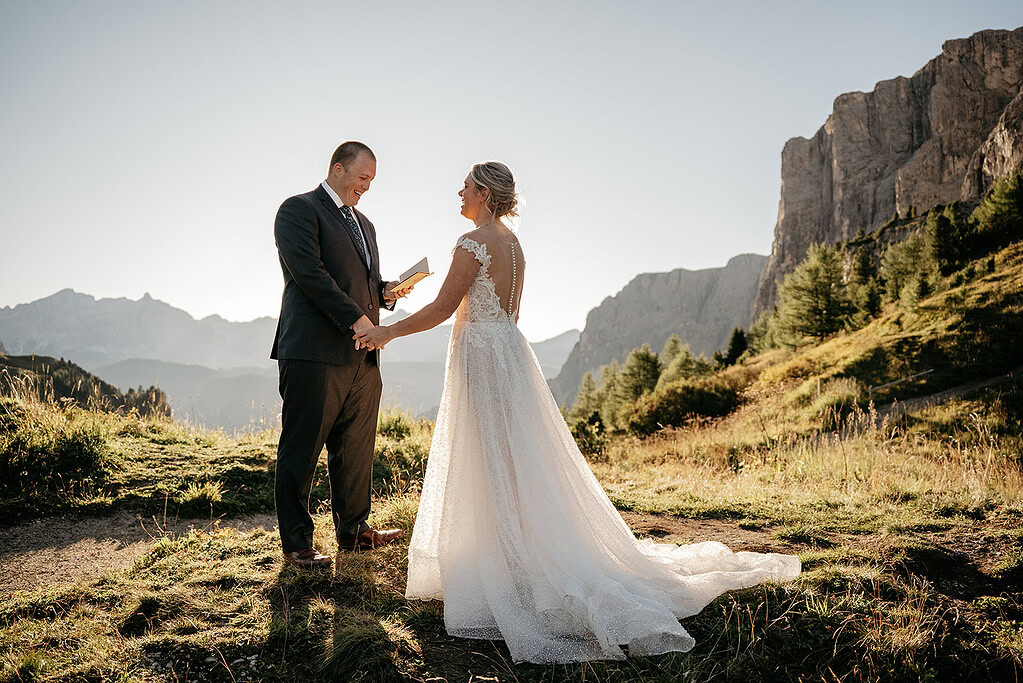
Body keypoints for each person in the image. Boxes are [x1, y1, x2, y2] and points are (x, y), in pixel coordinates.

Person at [354, 161, 801, 663]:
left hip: (482, 355)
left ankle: (509, 564)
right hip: (509, 353)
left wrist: (386, 331)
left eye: (465, 185)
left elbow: (441, 310)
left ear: (483, 191)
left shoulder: (470, 242)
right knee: (513, 455)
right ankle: (515, 550)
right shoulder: (514, 244)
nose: (458, 192)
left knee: (489, 457)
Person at [271, 141, 412, 569]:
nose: (367, 187)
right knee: (302, 449)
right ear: (337, 169)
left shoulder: (365, 224)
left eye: (372, 181)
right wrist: (357, 318)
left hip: (363, 356)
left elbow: (359, 281)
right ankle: (297, 544)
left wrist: (386, 292)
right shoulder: (297, 210)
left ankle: (354, 532)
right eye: (362, 178)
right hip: (314, 353)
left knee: (355, 449)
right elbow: (311, 276)